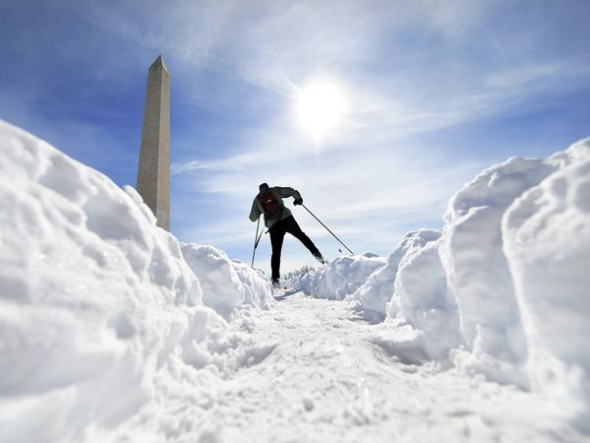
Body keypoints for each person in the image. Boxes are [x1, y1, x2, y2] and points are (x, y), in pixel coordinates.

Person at [249, 183, 325, 287]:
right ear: (267, 187)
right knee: (302, 237)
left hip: (273, 226)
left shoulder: (257, 200)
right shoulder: (274, 191)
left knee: (276, 253)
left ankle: (275, 280)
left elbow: (252, 218)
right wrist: (298, 199)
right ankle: (319, 258)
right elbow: (290, 190)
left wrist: (259, 212)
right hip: (286, 219)